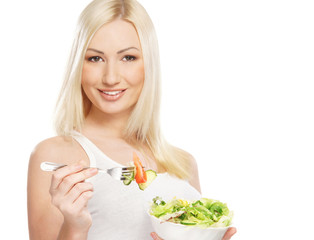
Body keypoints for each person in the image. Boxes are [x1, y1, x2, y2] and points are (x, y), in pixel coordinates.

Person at [27, 0, 237, 239]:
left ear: (148, 64)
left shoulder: (184, 163)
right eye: (95, 58)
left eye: (128, 57)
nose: (111, 77)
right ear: (78, 65)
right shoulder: (56, 156)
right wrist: (75, 226)